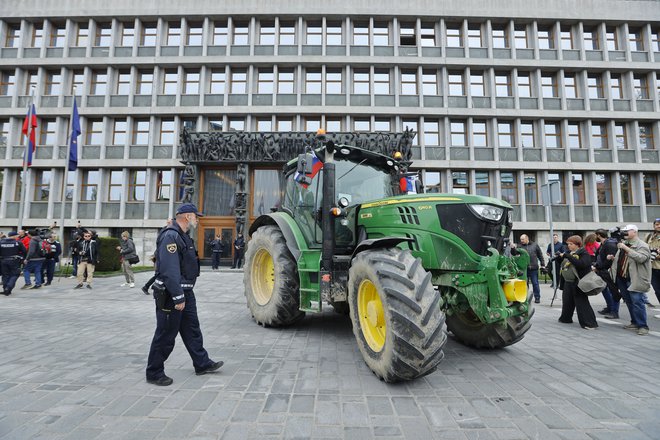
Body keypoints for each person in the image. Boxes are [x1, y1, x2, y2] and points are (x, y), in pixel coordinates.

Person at [146, 204, 223, 386]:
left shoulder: (181, 235)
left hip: (186, 292)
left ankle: (202, 364)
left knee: (192, 330)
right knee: (165, 335)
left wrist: (184, 294)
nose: (198, 219)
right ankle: (154, 372)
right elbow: (169, 270)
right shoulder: (171, 236)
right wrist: (178, 296)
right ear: (188, 216)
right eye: (196, 216)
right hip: (171, 295)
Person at [611, 224, 652, 336]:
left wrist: (625, 248)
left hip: (635, 278)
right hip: (622, 277)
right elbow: (624, 259)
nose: (624, 234)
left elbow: (642, 258)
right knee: (629, 301)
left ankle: (643, 326)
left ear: (634, 232)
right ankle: (634, 322)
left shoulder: (642, 245)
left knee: (638, 302)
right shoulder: (624, 244)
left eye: (626, 231)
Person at [557, 235, 598, 329]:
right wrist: (560, 258)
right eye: (568, 244)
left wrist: (568, 256)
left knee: (581, 303)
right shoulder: (569, 252)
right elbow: (564, 265)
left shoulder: (584, 253)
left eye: (571, 244)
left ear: (577, 244)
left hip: (579, 282)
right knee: (567, 301)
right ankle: (566, 318)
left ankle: (589, 323)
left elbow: (581, 264)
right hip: (568, 281)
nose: (569, 246)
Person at [593, 228, 620, 319]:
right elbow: (600, 257)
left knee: (613, 291)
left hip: (609, 272)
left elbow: (610, 261)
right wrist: (596, 266)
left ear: (599, 235)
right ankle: (610, 307)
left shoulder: (610, 244)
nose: (595, 237)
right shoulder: (603, 244)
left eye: (595, 235)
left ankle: (614, 311)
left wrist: (598, 267)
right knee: (604, 290)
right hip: (602, 271)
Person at [512, 234, 545, 303]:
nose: (521, 241)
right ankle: (524, 298)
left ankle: (537, 297)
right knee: (524, 284)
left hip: (533, 268)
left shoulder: (535, 245)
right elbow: (514, 254)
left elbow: (540, 255)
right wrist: (513, 248)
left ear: (527, 238)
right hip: (524, 268)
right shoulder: (519, 246)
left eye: (523, 239)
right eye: (521, 239)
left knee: (535, 283)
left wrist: (543, 264)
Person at [646, 219, 660, 306]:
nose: (659, 226)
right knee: (657, 291)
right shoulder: (649, 237)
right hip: (652, 268)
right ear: (654, 226)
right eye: (657, 224)